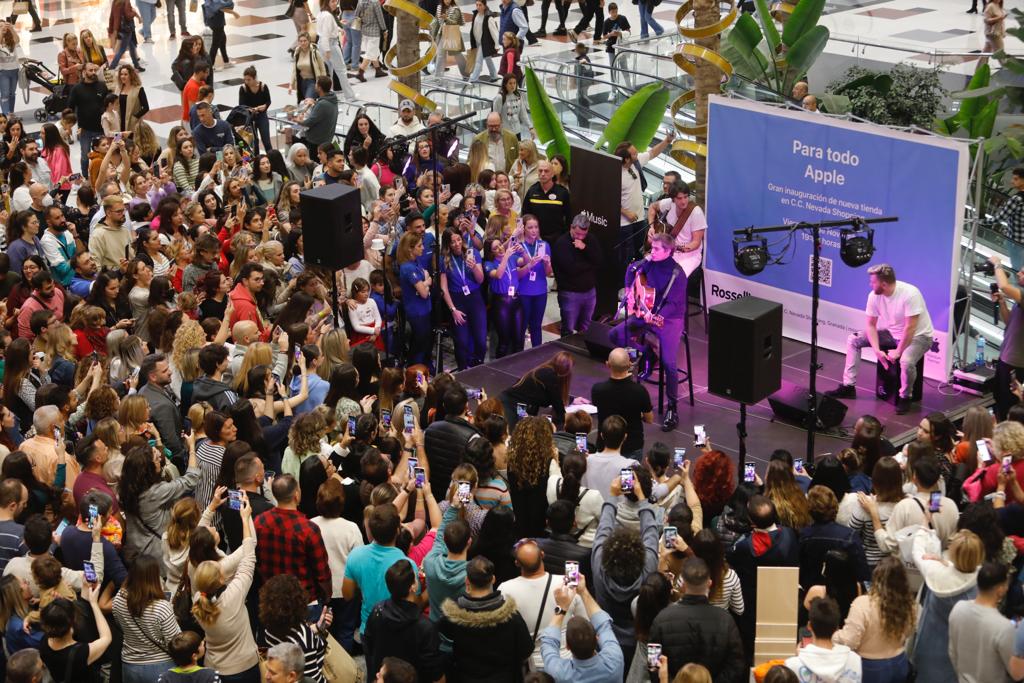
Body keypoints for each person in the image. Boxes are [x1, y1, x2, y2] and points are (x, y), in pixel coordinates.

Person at [826, 263, 935, 415]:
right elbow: (871, 325)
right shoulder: (874, 296)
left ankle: (905, 396)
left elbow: (910, 328)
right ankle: (848, 386)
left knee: (906, 361)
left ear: (883, 284)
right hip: (892, 334)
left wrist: (898, 351)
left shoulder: (911, 294)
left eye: (873, 282)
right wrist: (877, 350)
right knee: (853, 340)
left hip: (919, 336)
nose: (870, 284)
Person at [611, 233, 689, 431]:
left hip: (668, 318)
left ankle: (672, 407)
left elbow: (673, 304)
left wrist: (656, 316)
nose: (651, 252)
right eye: (651, 248)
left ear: (668, 251)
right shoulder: (649, 263)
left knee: (669, 363)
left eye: (656, 249)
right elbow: (631, 270)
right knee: (614, 335)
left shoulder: (677, 274)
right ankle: (646, 353)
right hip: (645, 311)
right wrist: (629, 290)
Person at [192, 490, 261, 683]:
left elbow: (197, 536)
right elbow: (249, 555)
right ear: (222, 579)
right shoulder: (233, 596)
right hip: (243, 668)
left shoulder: (199, 599)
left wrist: (211, 507)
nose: (214, 529)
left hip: (214, 669)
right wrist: (246, 518)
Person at [646, 557, 744, 681]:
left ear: (682, 585)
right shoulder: (726, 620)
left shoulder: (661, 619)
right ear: (709, 583)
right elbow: (736, 665)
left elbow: (653, 664)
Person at [439, 555, 535, 681]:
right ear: (493, 579)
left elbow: (441, 633)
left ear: (467, 581)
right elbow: (526, 650)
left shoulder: (453, 616)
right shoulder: (512, 616)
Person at [591, 491, 658, 665]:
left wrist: (612, 495)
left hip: (605, 641)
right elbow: (651, 532)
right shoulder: (648, 569)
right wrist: (643, 500)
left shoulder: (599, 569)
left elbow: (603, 529)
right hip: (637, 643)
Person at [832, 556, 917, 682]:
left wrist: (833, 635)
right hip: (900, 663)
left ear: (876, 578)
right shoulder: (909, 604)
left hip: (869, 668)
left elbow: (849, 640)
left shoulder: (863, 603)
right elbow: (909, 631)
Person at [363, 559, 446, 682]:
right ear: (413, 586)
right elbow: (434, 670)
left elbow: (369, 644)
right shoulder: (425, 627)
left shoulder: (377, 611)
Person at [343, 502, 418, 637]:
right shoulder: (408, 565)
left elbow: (347, 594)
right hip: (398, 631)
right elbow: (413, 603)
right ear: (397, 530)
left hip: (368, 628)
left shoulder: (355, 556)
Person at [255, 474, 331, 605]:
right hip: (303, 601)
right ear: (296, 495)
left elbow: (256, 560)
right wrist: (326, 596)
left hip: (272, 599)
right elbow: (322, 572)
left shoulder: (260, 522)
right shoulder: (308, 529)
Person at [948, 560, 1024, 682]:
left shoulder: (958, 608)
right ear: (1000, 590)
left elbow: (953, 652)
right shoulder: (1003, 627)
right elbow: (1014, 671)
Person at [540, 574, 623, 682]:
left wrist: (562, 606)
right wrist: (583, 591)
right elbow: (604, 625)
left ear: (568, 647)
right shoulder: (614, 661)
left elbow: (548, 643)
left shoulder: (558, 673)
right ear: (597, 638)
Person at [112, 555, 181, 681]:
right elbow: (175, 642)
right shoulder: (161, 607)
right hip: (160, 666)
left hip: (129, 665)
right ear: (154, 577)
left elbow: (120, 625)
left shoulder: (119, 599)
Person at [590, 348, 653, 458]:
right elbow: (649, 419)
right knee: (629, 475)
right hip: (631, 446)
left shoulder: (598, 389)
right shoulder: (639, 391)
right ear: (629, 365)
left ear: (607, 364)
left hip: (605, 444)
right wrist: (640, 414)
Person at [39, 589, 112, 682]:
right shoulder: (80, 654)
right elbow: (107, 637)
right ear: (71, 626)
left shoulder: (44, 641)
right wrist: (94, 604)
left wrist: (60, 608)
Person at [785, 597, 862, 682]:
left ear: (809, 626)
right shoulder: (855, 661)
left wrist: (800, 656)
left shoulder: (792, 665)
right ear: (837, 628)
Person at [552, 213, 602, 336]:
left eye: (583, 235)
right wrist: (590, 265)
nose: (579, 237)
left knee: (586, 327)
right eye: (577, 233)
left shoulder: (590, 240)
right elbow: (571, 269)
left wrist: (585, 248)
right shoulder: (561, 243)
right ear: (571, 227)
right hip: (570, 293)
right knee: (568, 328)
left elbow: (599, 260)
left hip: (589, 292)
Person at [523, 160, 572, 244]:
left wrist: (565, 237)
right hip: (535, 239)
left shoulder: (562, 192)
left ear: (552, 174)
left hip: (556, 239)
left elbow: (569, 217)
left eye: (546, 171)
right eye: (540, 171)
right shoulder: (532, 191)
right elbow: (525, 214)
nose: (543, 174)